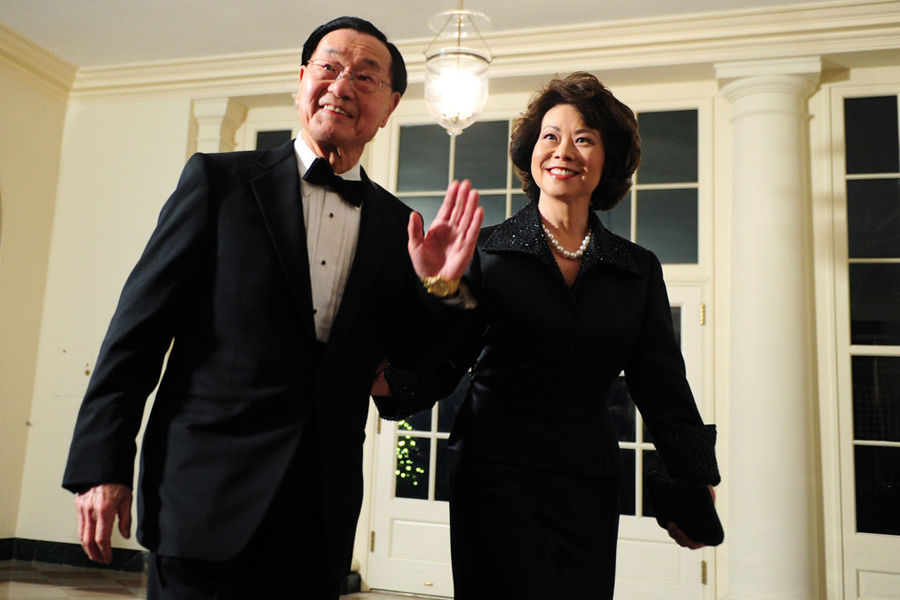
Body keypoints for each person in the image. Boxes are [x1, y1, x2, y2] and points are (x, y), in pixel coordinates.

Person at [62, 16, 483, 600]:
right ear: (302, 79)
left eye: (366, 76)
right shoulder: (217, 182)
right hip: (202, 495)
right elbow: (136, 332)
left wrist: (439, 284)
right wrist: (101, 465)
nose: (343, 84)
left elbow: (414, 358)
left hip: (318, 515)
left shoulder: (397, 226)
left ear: (389, 107)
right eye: (330, 66)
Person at [376, 72, 721, 599]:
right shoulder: (484, 252)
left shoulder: (636, 268)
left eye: (584, 138)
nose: (564, 150)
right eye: (550, 136)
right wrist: (430, 295)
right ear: (531, 154)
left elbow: (663, 386)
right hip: (493, 473)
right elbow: (443, 360)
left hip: (587, 477)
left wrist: (694, 482)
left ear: (608, 161)